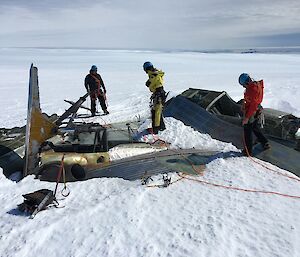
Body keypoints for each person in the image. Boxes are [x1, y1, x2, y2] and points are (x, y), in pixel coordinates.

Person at [238, 73, 270, 156]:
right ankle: (264, 142)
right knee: (255, 127)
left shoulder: (252, 90)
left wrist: (247, 118)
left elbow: (253, 105)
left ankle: (248, 151)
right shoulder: (257, 85)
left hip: (252, 111)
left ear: (246, 82)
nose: (243, 87)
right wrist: (244, 105)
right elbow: (251, 101)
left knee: (247, 130)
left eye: (243, 85)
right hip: (257, 109)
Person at [143, 62, 166, 134]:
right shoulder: (155, 73)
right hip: (159, 93)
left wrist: (149, 83)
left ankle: (156, 129)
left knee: (156, 112)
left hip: (158, 94)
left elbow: (153, 81)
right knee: (157, 111)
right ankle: (161, 127)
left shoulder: (152, 74)